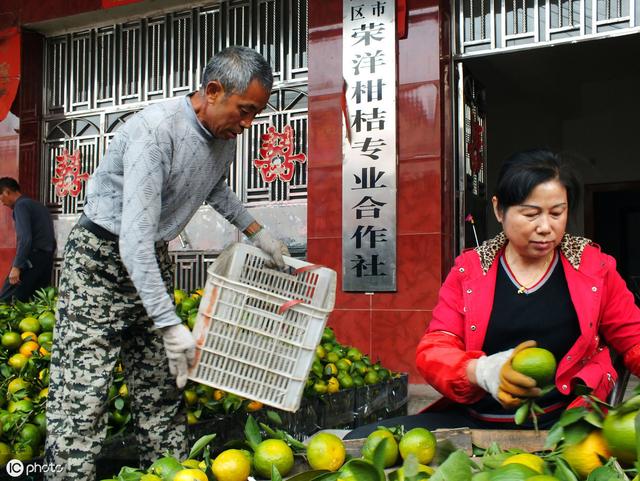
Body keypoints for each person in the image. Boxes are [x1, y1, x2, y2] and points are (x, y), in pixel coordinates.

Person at [44, 46, 290, 480]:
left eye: (255, 113)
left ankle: (170, 473)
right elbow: (132, 243)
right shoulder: (155, 132)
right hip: (100, 261)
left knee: (162, 388)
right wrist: (170, 323)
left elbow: (213, 187)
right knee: (82, 396)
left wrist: (258, 233)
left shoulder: (223, 137)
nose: (248, 124)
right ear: (213, 91)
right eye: (245, 110)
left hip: (150, 256)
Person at [346, 149, 640, 439]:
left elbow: (633, 339)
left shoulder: (593, 268)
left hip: (565, 427)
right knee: (360, 440)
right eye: (531, 214)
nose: (545, 227)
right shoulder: (470, 271)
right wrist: (481, 370)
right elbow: (435, 349)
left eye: (557, 213)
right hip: (476, 422)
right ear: (499, 210)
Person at [0, 177, 55, 302]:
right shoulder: (39, 206)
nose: (2, 203)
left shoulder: (21, 206)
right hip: (46, 260)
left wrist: (17, 266)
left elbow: (25, 239)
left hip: (31, 259)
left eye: (0, 197)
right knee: (37, 302)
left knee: (6, 299)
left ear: (6, 191)